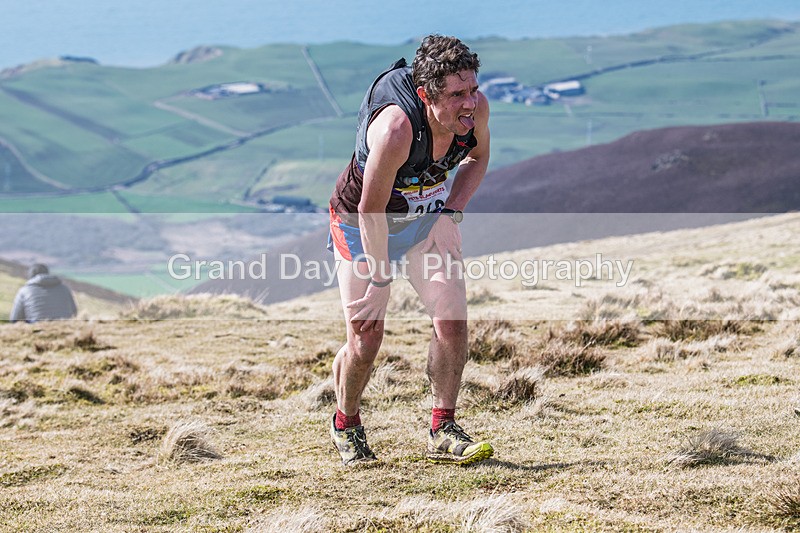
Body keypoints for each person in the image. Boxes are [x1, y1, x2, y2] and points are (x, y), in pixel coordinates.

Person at [327, 35, 492, 465]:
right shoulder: (397, 129)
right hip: (362, 224)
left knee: (452, 320)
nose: (469, 103)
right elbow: (370, 209)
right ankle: (346, 423)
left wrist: (450, 213)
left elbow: (476, 160)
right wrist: (381, 280)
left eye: (472, 88)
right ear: (425, 95)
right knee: (366, 338)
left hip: (421, 227)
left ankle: (443, 427)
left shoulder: (476, 113)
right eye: (457, 94)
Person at [9, 264, 78, 323]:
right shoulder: (64, 288)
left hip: (36, 329)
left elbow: (15, 318)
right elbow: (74, 312)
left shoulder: (24, 290)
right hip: (64, 327)